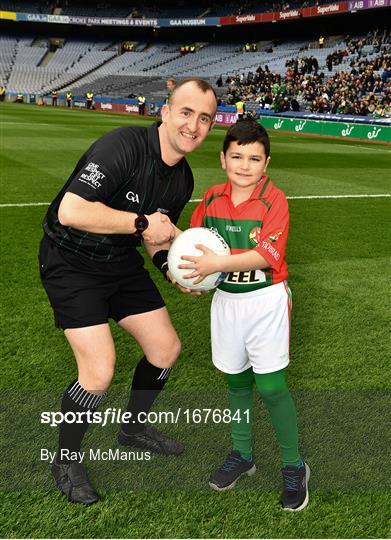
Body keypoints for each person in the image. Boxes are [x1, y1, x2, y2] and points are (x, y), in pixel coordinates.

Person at [39, 78, 217, 505]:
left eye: (205, 118)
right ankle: (65, 458)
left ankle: (132, 428)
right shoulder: (122, 145)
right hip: (70, 262)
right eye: (187, 112)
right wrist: (140, 223)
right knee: (99, 370)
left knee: (166, 349)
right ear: (166, 112)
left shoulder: (183, 180)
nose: (193, 125)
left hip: (118, 262)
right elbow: (71, 210)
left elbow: (155, 238)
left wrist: (168, 268)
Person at [180, 119, 310, 511]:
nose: (244, 164)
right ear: (223, 159)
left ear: (266, 162)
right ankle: (242, 454)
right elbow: (192, 247)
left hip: (264, 301)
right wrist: (189, 277)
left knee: (270, 386)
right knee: (236, 382)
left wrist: (216, 262)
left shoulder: (275, 200)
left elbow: (268, 255)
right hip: (227, 303)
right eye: (237, 156)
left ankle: (294, 465)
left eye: (254, 158)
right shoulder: (211, 199)